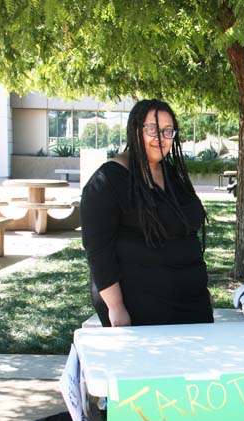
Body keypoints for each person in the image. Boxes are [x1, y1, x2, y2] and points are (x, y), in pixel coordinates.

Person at [81, 99, 213, 327]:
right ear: (134, 130)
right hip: (140, 306)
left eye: (167, 131)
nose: (160, 138)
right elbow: (98, 251)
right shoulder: (108, 182)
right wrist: (116, 307)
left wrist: (202, 291)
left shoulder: (171, 175)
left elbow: (186, 232)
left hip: (191, 303)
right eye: (152, 129)